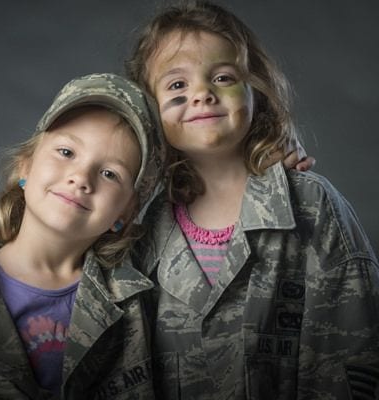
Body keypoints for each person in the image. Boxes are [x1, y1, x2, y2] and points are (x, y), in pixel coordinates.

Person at [126, 1, 379, 399]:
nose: (203, 94)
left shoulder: (311, 204)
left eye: (223, 76)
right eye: (177, 85)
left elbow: (359, 350)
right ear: (149, 111)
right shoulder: (146, 234)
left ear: (254, 90)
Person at [0, 73, 165, 400]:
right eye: (66, 152)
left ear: (124, 212)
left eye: (110, 173)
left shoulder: (132, 304)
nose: (81, 178)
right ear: (26, 167)